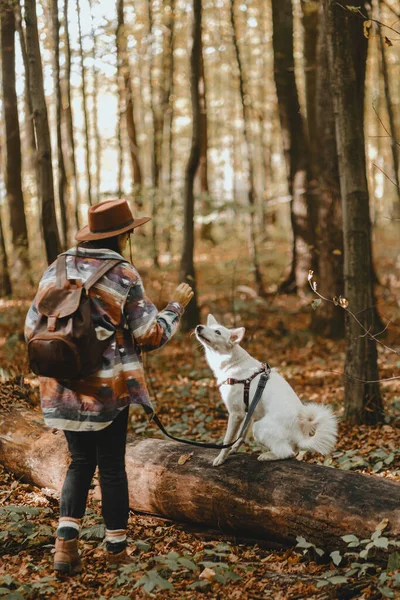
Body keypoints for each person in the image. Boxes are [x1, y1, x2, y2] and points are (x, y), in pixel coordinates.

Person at [24, 199, 194, 574]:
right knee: (112, 467)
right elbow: (149, 334)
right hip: (106, 392)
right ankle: (116, 551)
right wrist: (175, 308)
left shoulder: (57, 266)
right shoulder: (123, 275)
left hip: (61, 388)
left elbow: (31, 327)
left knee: (80, 462)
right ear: (124, 235)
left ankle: (65, 549)